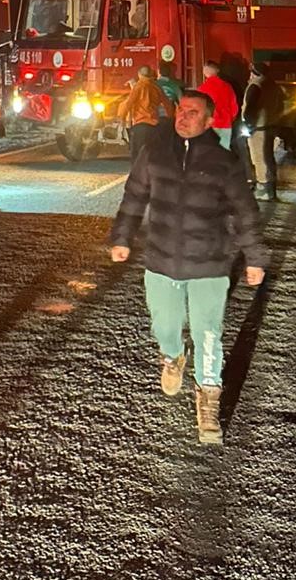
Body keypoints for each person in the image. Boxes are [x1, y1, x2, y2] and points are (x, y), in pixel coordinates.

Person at [108, 89, 267, 444]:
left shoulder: (224, 162)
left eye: (193, 112)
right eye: (181, 110)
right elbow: (134, 197)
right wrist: (122, 236)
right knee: (164, 327)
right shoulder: (155, 154)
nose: (183, 116)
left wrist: (254, 257)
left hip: (209, 264)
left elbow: (246, 213)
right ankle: (172, 356)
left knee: (207, 333)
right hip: (161, 261)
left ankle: (208, 402)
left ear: (210, 121)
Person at [242, 61, 282, 201]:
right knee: (269, 158)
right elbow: (280, 106)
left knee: (259, 158)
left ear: (254, 72)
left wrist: (247, 125)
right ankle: (271, 189)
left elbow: (250, 109)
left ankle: (263, 190)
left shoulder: (255, 85)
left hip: (258, 128)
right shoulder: (273, 85)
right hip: (271, 125)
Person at [116, 65, 172, 158]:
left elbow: (128, 103)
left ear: (139, 75)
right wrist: (170, 119)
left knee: (137, 156)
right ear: (151, 75)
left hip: (140, 125)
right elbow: (167, 105)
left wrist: (121, 118)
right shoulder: (157, 87)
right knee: (151, 155)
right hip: (154, 126)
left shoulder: (138, 87)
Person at [199, 59, 239, 150]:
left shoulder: (202, 89)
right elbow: (234, 107)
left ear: (205, 72)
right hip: (226, 123)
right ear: (217, 70)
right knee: (224, 151)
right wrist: (230, 119)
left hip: (209, 124)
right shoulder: (227, 86)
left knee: (210, 151)